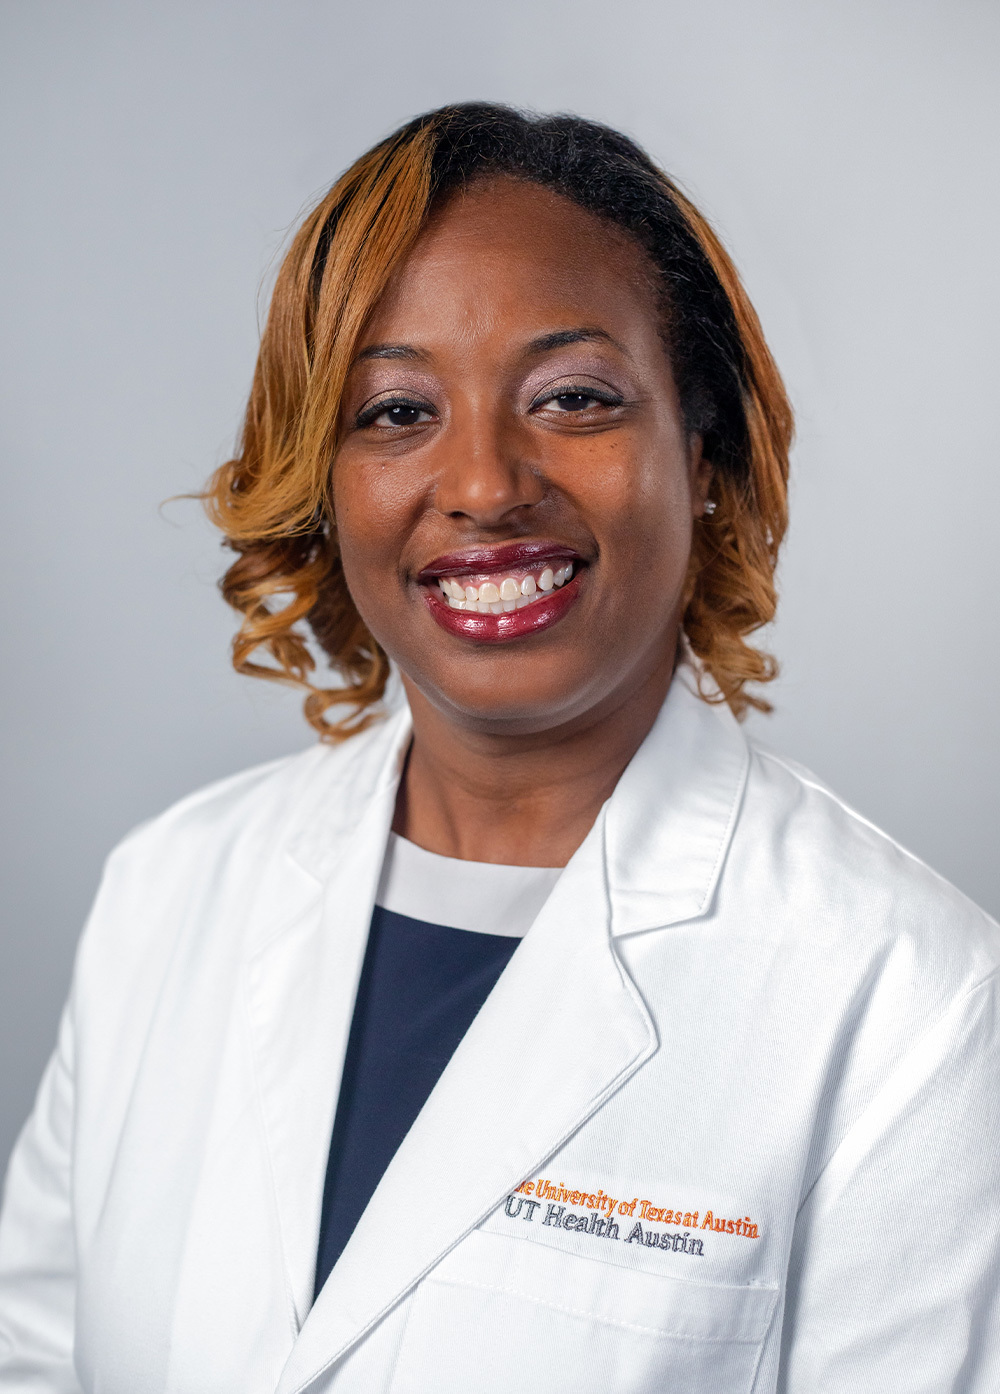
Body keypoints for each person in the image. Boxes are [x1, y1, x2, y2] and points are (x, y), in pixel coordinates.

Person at [0, 102, 997, 1394]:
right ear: (323, 475)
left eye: (574, 397)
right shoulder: (166, 886)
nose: (482, 482)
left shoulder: (912, 998)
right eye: (395, 410)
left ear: (700, 453)